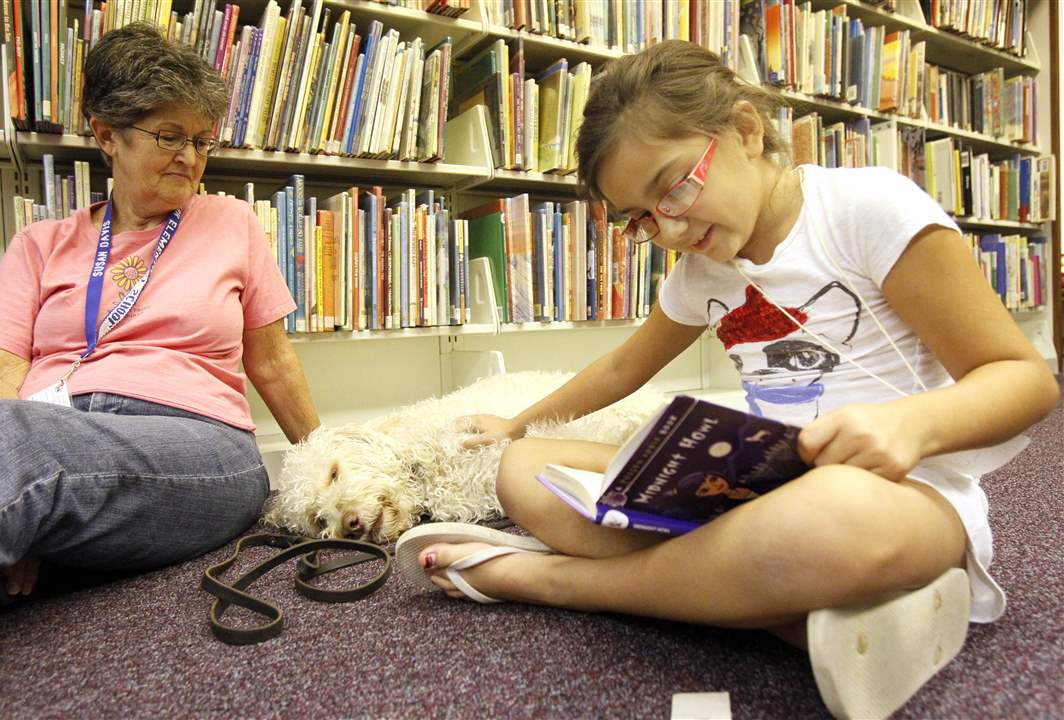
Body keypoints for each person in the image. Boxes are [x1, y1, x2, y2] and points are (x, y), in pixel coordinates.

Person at [394, 41, 1059, 718]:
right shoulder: (701, 273)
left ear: (745, 130)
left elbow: (1025, 381)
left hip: (905, 499)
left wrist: (910, 426)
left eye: (675, 187)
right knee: (526, 469)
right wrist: (514, 424)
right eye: (644, 219)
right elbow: (625, 365)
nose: (673, 227)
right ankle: (790, 609)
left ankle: (565, 582)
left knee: (827, 518)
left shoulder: (868, 209)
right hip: (756, 492)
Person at [0, 24, 320, 615]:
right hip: (51, 431)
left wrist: (329, 468)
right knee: (10, 439)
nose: (190, 158)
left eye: (201, 140)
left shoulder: (232, 222)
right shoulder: (38, 244)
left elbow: (271, 361)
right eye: (169, 136)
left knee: (17, 445)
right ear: (107, 135)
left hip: (200, 444)